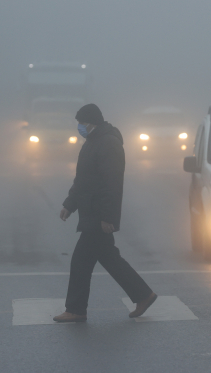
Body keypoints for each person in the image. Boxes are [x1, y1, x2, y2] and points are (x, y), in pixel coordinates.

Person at [53, 104, 157, 323]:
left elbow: (112, 184)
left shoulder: (109, 143)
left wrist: (108, 218)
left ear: (92, 122)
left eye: (81, 123)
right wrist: (70, 204)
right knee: (109, 259)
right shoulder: (92, 142)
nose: (79, 127)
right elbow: (82, 180)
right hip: (90, 211)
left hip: (97, 214)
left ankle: (76, 309)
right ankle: (143, 295)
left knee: (82, 262)